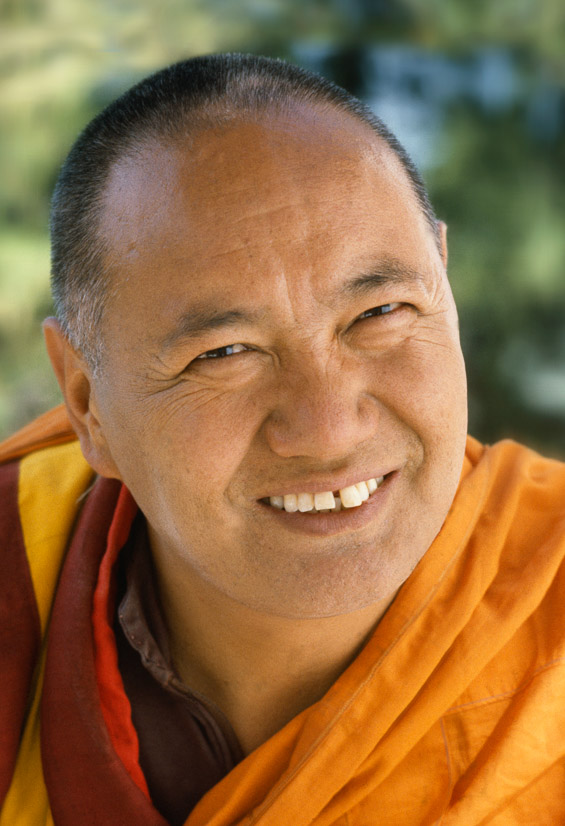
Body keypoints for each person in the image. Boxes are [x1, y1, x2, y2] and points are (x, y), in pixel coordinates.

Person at [0, 53, 564, 826]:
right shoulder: (16, 572)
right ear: (88, 404)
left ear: (446, 289)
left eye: (380, 313)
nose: (327, 427)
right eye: (222, 354)